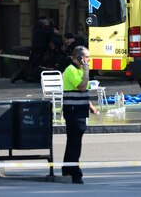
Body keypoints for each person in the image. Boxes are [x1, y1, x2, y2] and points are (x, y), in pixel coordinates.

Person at [62, 46, 97, 184]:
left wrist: (90, 105)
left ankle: (68, 170)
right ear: (79, 58)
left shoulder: (80, 70)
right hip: (73, 111)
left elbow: (83, 91)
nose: (89, 59)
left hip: (80, 110)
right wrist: (87, 68)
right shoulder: (71, 70)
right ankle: (74, 172)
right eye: (87, 57)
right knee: (74, 143)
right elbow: (82, 86)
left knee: (74, 142)